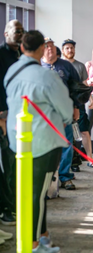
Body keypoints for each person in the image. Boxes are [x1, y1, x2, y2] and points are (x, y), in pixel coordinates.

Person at [6, 30, 73, 253]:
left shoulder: (12, 70)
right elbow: (65, 109)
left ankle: (42, 235)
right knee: (38, 193)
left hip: (17, 139)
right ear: (42, 50)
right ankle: (34, 243)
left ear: (22, 48)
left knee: (29, 190)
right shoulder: (46, 76)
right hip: (43, 142)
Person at [41, 37, 81, 190]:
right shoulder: (38, 66)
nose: (50, 48)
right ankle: (47, 179)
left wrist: (76, 107)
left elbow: (76, 88)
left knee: (66, 145)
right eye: (46, 46)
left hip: (64, 112)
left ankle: (65, 177)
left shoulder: (66, 66)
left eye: (52, 46)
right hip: (44, 115)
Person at [0, 19, 23, 225]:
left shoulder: (22, 55)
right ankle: (6, 208)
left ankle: (14, 204)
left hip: (21, 118)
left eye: (22, 31)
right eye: (16, 31)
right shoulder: (0, 55)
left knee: (17, 163)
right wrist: (2, 116)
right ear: (6, 32)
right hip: (4, 118)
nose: (20, 33)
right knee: (6, 163)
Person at [61, 39, 93, 168]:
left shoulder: (80, 66)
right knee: (68, 133)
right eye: (67, 48)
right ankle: (71, 162)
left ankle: (90, 158)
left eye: (72, 48)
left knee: (84, 131)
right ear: (63, 50)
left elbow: (84, 85)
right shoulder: (59, 65)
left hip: (78, 104)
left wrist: (90, 99)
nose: (70, 50)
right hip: (64, 104)